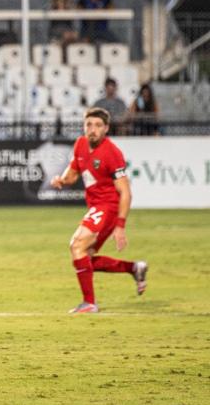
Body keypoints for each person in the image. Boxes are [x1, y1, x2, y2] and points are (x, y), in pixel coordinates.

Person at [51, 107, 148, 314]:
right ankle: (134, 268)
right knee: (85, 257)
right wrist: (61, 180)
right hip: (96, 207)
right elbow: (72, 174)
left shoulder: (112, 153)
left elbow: (126, 193)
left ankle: (89, 303)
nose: (92, 130)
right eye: (88, 125)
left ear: (106, 128)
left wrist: (120, 226)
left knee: (76, 245)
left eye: (97, 126)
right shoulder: (80, 145)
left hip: (108, 207)